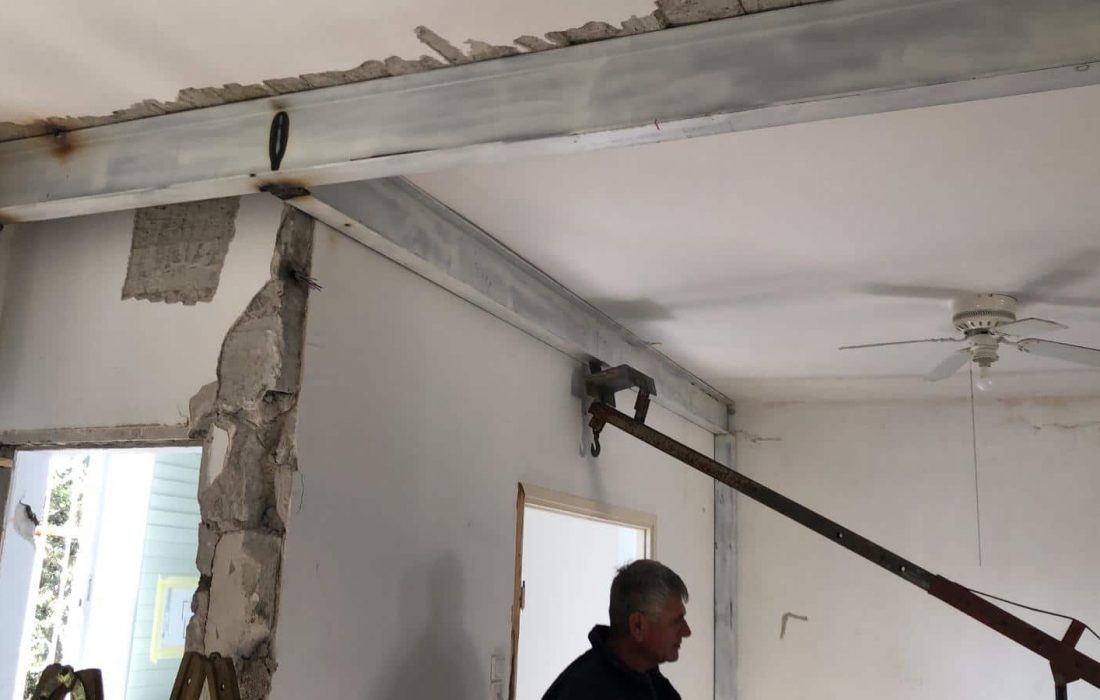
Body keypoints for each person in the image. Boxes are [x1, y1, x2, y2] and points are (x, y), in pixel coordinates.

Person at [542, 559, 691, 699]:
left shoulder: (654, 683)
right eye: (676, 621)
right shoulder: (579, 691)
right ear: (638, 625)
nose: (687, 632)